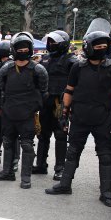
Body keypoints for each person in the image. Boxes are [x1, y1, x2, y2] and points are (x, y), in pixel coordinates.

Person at [45, 30, 111, 207]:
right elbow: (69, 91)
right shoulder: (78, 67)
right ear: (89, 47)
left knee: (106, 156)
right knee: (72, 151)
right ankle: (65, 185)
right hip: (80, 117)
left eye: (104, 46)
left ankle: (106, 192)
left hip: (104, 118)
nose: (101, 49)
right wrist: (64, 115)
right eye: (97, 46)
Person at [0, 32, 48, 189]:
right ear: (14, 50)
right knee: (8, 143)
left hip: (28, 115)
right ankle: (7, 172)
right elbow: (2, 89)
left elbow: (44, 93)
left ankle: (26, 177)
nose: (22, 51)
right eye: (19, 48)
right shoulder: (6, 69)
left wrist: (34, 109)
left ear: (30, 49)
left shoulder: (38, 70)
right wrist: (3, 107)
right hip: (9, 113)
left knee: (27, 145)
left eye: (25, 48)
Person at [35, 31, 78, 180]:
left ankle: (60, 168)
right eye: (50, 41)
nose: (51, 44)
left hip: (61, 103)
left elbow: (76, 86)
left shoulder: (72, 61)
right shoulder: (45, 59)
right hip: (46, 102)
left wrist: (70, 106)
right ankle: (40, 164)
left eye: (55, 42)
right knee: (42, 134)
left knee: (60, 136)